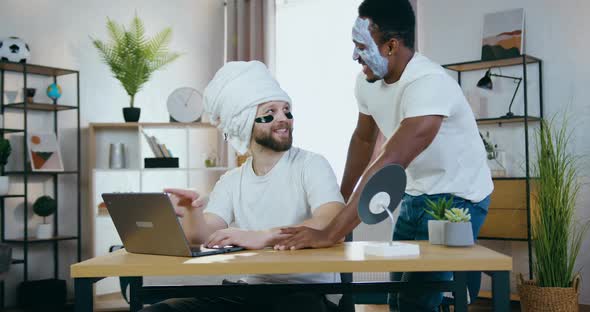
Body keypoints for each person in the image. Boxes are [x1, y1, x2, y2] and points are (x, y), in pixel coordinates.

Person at [275, 0, 494, 311]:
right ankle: (458, 288)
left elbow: (390, 160)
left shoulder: (428, 83)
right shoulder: (367, 82)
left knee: (416, 300)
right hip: (416, 194)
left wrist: (330, 232)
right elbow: (364, 141)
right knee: (399, 296)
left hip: (460, 195)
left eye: (362, 46)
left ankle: (458, 289)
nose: (354, 55)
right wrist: (338, 207)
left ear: (391, 46)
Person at [140, 60, 344, 312]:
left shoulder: (311, 165)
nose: (284, 119)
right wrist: (192, 211)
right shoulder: (231, 180)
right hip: (247, 292)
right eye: (271, 112)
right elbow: (204, 235)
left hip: (306, 294)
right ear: (244, 122)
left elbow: (333, 221)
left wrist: (264, 235)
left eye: (287, 110)